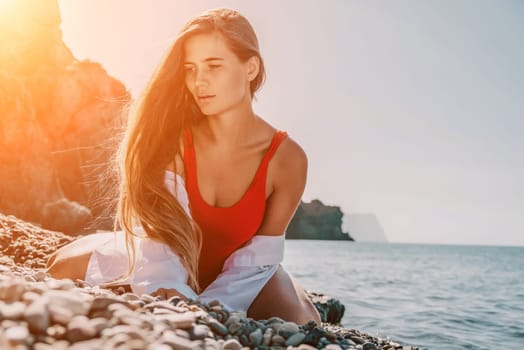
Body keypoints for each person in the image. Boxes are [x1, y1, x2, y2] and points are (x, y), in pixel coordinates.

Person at [46, 7, 320, 325]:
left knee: (305, 324)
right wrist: (172, 291)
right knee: (59, 266)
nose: (198, 81)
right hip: (163, 257)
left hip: (247, 273)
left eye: (213, 66)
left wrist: (209, 308)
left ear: (251, 67)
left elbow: (258, 259)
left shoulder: (288, 160)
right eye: (190, 68)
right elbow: (159, 236)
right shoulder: (173, 139)